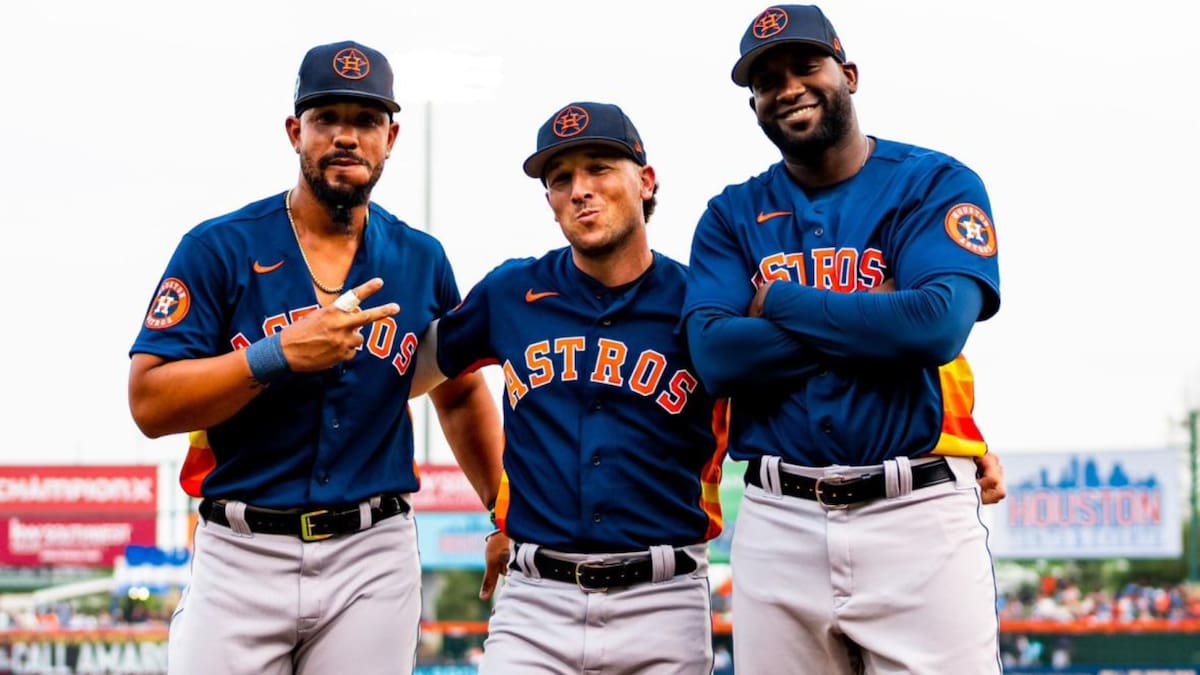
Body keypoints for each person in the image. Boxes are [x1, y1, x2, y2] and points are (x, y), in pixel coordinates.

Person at [127, 40, 503, 675]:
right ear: (295, 131)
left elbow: (461, 391)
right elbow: (149, 401)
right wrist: (274, 356)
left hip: (371, 553)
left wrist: (503, 511)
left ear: (391, 138)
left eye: (366, 120)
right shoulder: (219, 248)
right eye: (327, 118)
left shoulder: (420, 258)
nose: (346, 136)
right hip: (242, 550)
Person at [682, 5, 1004, 674]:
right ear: (755, 105)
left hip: (917, 510)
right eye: (767, 81)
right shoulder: (730, 214)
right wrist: (880, 318)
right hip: (778, 517)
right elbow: (716, 357)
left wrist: (783, 303)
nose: (789, 88)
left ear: (848, 75)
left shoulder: (933, 182)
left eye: (806, 66)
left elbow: (937, 327)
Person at [412, 101, 724, 674]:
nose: (580, 190)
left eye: (599, 168)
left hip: (665, 597)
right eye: (561, 179)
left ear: (646, 181)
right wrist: (499, 508)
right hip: (536, 601)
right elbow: (409, 372)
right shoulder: (511, 292)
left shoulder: (700, 303)